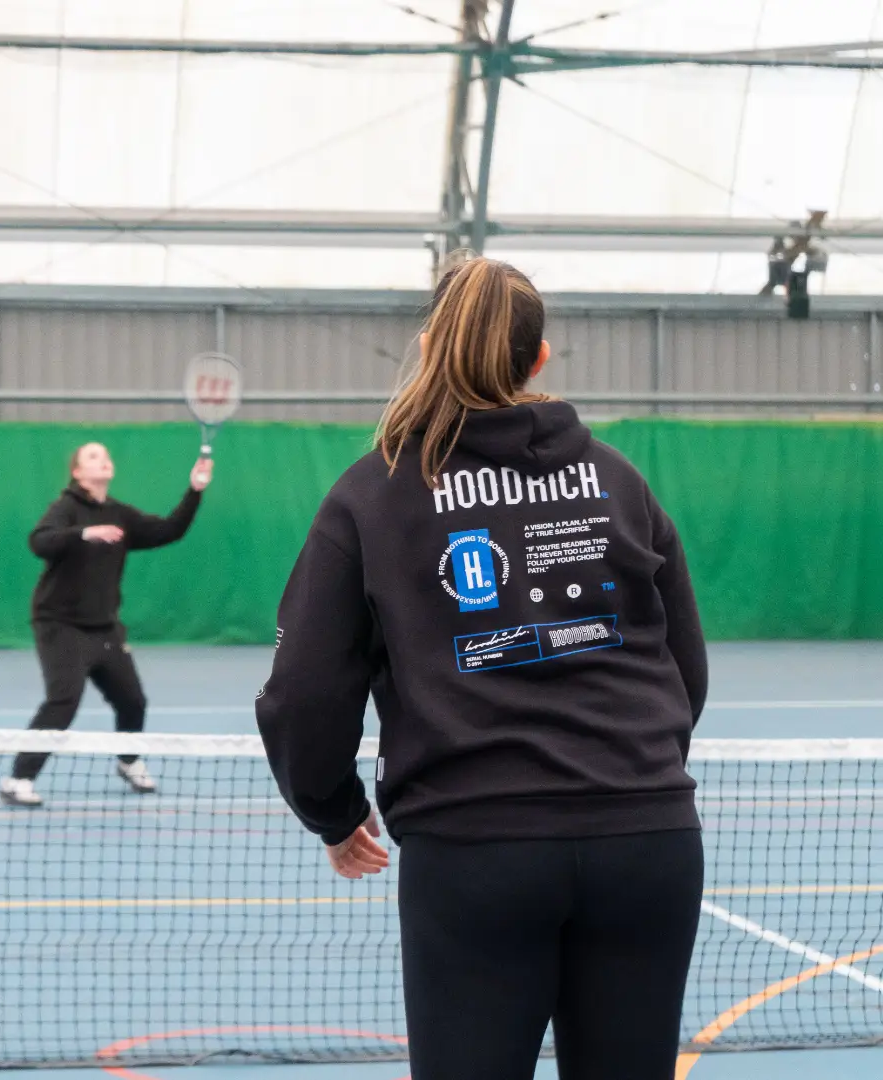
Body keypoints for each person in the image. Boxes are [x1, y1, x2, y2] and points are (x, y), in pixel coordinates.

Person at [255, 256, 707, 1079]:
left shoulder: (373, 493)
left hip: (476, 855)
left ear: (430, 346)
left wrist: (331, 809)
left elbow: (301, 693)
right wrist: (632, 771)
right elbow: (684, 665)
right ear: (539, 360)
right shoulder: (618, 480)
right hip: (648, 843)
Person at [0, 442, 213, 807]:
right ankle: (18, 778)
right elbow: (39, 541)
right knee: (63, 700)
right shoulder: (66, 507)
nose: (104, 460)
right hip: (59, 624)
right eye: (93, 457)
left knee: (132, 701)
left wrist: (194, 490)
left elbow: (168, 530)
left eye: (105, 456)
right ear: (78, 472)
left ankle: (128, 761)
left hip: (104, 628)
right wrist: (83, 533)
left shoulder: (119, 514)